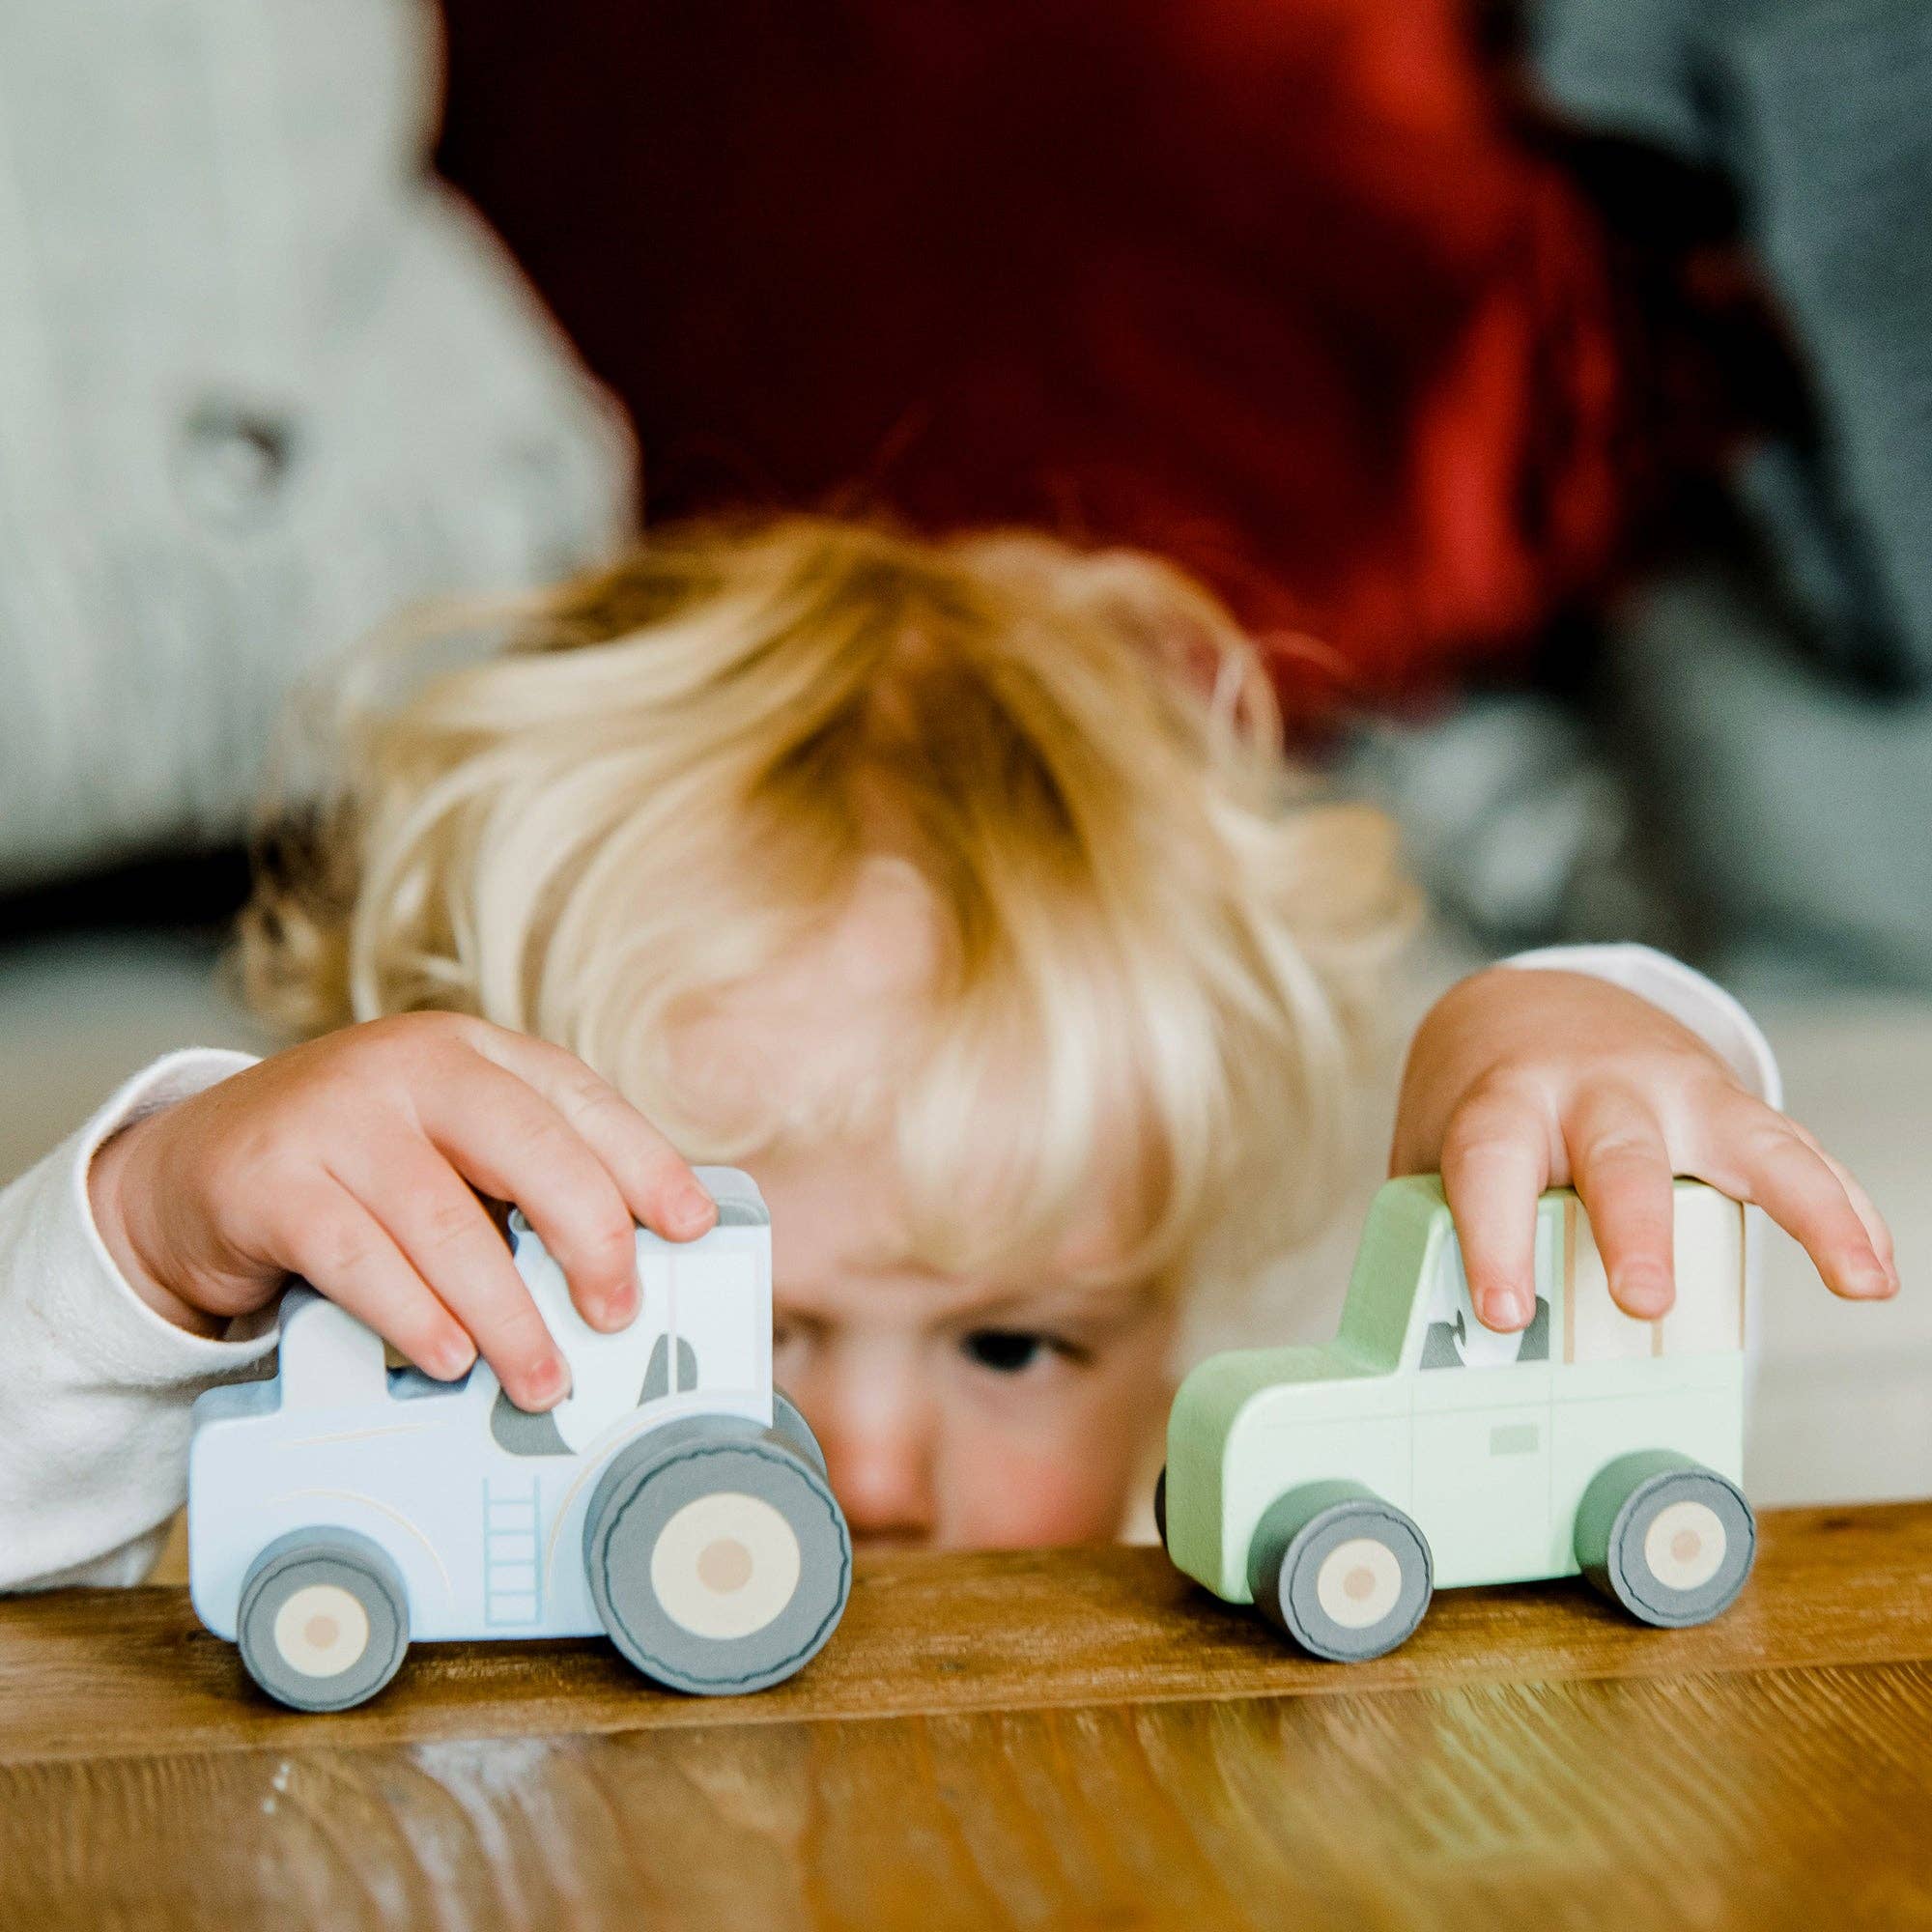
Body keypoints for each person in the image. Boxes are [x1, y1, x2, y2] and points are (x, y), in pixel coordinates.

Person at [0, 516, 1895, 1586]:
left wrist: (1578, 1042)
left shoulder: (1168, 1570)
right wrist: (157, 1244)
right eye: (749, 1322)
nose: (881, 1471)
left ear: (1162, 1340)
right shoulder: (343, 1507)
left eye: (1013, 1343)